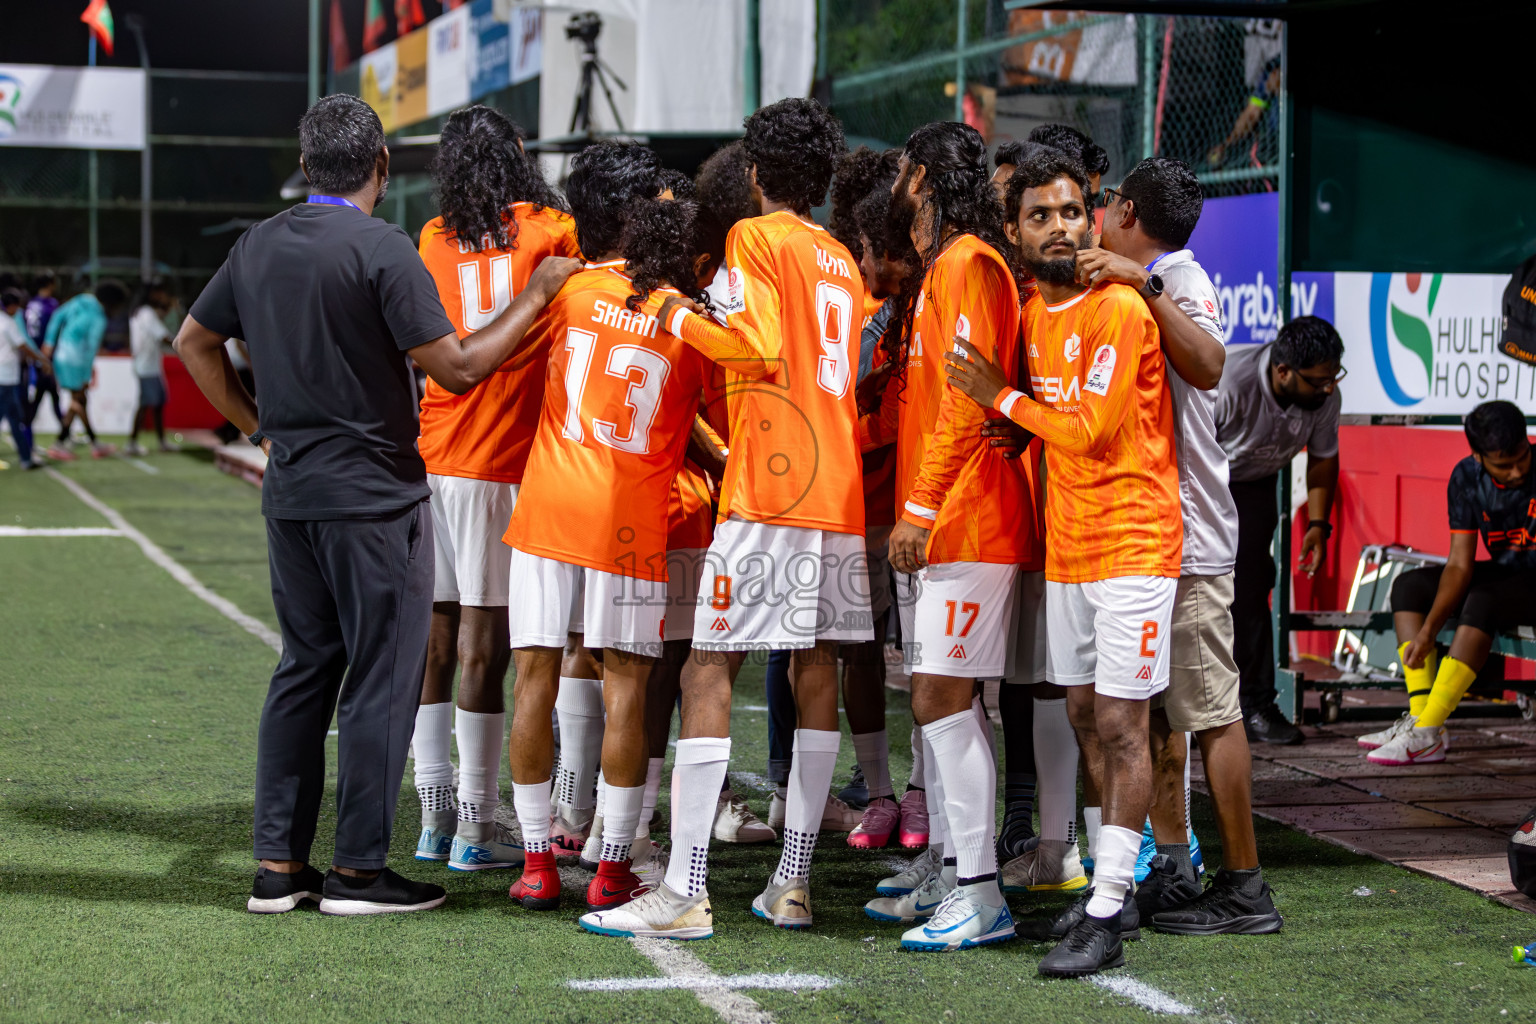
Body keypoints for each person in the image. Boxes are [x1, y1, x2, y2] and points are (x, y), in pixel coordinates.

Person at [174, 93, 579, 918]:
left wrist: (256, 427)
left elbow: (192, 343)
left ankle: (279, 868)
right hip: (375, 497)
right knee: (382, 677)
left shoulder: (256, 244)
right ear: (382, 166)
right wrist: (535, 298)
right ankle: (359, 872)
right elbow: (459, 368)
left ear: (305, 160)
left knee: (303, 671)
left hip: (292, 497)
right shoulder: (382, 247)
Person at [580, 98, 871, 940]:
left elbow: (755, 347)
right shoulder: (841, 261)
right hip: (836, 490)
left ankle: (686, 889)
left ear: (753, 173)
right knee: (814, 670)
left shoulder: (754, 238)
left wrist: (674, 311)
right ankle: (790, 881)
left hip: (772, 488)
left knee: (709, 672)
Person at [945, 148, 1181, 977]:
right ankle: (1107, 889)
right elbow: (1055, 427)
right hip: (1070, 548)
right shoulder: (1037, 316)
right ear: (1014, 232)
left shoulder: (1120, 309)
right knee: (1085, 719)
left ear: (1094, 218)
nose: (1060, 226)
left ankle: (1112, 908)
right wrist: (1020, 418)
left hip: (1133, 545)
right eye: (1040, 215)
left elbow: (1088, 431)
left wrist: (999, 398)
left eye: (1072, 212)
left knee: (1121, 726)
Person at [500, 144, 715, 915]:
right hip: (630, 516)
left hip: (551, 505)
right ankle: (613, 869)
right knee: (628, 690)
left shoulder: (568, 291)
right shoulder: (687, 314)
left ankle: (535, 859)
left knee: (534, 677)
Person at [1075, 156, 1281, 934]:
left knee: (1211, 713)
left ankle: (1247, 886)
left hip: (1192, 535)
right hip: (1151, 533)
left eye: (1099, 206)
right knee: (1156, 720)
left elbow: (1208, 363)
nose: (1092, 220)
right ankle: (1173, 866)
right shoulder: (1143, 278)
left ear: (1124, 209)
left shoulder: (1177, 277)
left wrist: (1140, 285)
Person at [868, 121, 1040, 953]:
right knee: (947, 698)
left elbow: (969, 400)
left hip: (970, 517)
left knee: (940, 695)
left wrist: (922, 508)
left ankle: (980, 891)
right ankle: (958, 871)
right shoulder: (955, 264)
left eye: (904, 171)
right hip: (959, 517)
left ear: (925, 176)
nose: (897, 185)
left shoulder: (970, 262)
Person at [408, 105, 579, 875]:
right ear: (517, 153)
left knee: (435, 641)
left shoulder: (432, 236)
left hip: (433, 450)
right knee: (487, 642)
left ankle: (434, 813)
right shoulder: (550, 229)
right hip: (506, 457)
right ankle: (478, 823)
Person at [1364, 401, 1534, 765]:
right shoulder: (1466, 478)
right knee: (1408, 586)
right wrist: (1428, 631)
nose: (1517, 470)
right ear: (1478, 456)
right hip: (1509, 571)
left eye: (1522, 456)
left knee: (1484, 600)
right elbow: (1459, 563)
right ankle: (1424, 723)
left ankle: (1427, 729)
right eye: (1504, 465)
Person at [1215, 316, 1343, 745]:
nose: (1328, 390)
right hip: (1199, 483)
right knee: (1196, 593)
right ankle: (1182, 710)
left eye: (1333, 379)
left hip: (1256, 485)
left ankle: (1255, 707)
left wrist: (1319, 526)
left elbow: (1323, 459)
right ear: (1282, 372)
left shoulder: (1324, 396)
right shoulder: (1230, 381)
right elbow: (1180, 451)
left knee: (1252, 590)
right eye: (1319, 382)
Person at [43, 279, 127, 460]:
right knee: (78, 402)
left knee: (80, 401)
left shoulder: (82, 300)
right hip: (76, 361)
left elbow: (58, 315)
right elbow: (90, 350)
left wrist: (49, 342)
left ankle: (93, 443)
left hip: (61, 354)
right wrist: (85, 376)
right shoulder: (99, 318)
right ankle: (60, 444)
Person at [125, 280, 176, 457]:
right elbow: (162, 335)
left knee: (156, 403)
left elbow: (160, 320)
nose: (161, 296)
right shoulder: (146, 313)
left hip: (148, 365)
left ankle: (160, 442)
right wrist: (183, 345)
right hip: (147, 366)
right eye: (159, 292)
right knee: (146, 404)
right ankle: (132, 443)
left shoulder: (142, 312)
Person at [1, 288, 48, 470]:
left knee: (15, 419)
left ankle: (26, 458)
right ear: (12, 306)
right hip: (6, 378)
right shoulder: (9, 324)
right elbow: (23, 346)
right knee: (14, 418)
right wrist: (42, 360)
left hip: (4, 377)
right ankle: (26, 459)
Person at [24, 272, 62, 431]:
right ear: (50, 284)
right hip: (46, 355)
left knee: (50, 394)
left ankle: (64, 430)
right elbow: (55, 331)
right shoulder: (51, 305)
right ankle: (25, 429)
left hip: (32, 354)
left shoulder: (30, 304)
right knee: (45, 394)